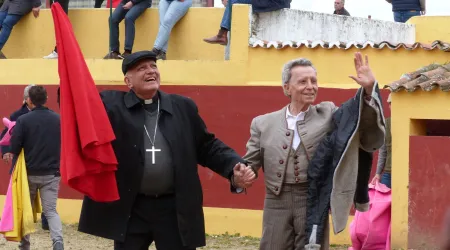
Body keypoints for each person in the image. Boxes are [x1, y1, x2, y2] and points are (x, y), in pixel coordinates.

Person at [75, 51, 256, 250]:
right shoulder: (111, 106)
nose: (150, 71)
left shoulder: (182, 107)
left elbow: (207, 146)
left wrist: (232, 167)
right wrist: (69, 82)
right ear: (128, 81)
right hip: (133, 207)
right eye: (141, 68)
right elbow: (80, 104)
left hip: (173, 208)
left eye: (153, 66)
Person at [243, 52, 385, 249]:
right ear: (287, 88)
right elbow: (249, 163)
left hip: (312, 198)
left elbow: (355, 120)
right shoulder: (263, 123)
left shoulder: (327, 113)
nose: (310, 86)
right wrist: (242, 175)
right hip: (276, 201)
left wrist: (369, 90)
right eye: (302, 81)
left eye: (313, 81)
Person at [10, 85, 64, 250]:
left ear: (29, 101)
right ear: (46, 99)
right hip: (52, 172)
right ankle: (58, 241)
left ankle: (25, 244)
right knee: (51, 211)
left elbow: (15, 147)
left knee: (25, 209)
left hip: (29, 173)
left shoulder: (23, 120)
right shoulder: (58, 119)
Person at [0, 84, 51, 231]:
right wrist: (6, 152)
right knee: (24, 193)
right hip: (24, 161)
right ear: (26, 100)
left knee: (46, 194)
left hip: (43, 157)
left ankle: (46, 219)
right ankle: (22, 224)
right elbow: (6, 134)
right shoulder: (17, 115)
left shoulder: (47, 114)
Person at [373, 93, 392, 188]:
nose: (391, 106)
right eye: (390, 103)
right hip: (388, 172)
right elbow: (383, 151)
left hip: (404, 172)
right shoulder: (386, 124)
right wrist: (378, 173)